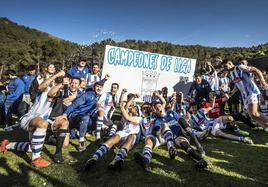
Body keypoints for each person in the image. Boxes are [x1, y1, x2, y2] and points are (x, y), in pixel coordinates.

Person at [0, 70, 66, 168]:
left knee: (32, 147)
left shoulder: (61, 93)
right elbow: (43, 88)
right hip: (30, 118)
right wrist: (57, 76)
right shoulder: (47, 88)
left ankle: (7, 144)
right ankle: (36, 159)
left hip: (41, 120)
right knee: (42, 124)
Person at [84, 91, 141, 171]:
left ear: (138, 112)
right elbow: (126, 107)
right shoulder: (126, 116)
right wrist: (132, 97)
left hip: (131, 139)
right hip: (123, 135)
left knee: (131, 136)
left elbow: (127, 114)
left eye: (134, 109)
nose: (131, 109)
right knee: (116, 135)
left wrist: (126, 105)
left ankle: (117, 159)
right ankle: (94, 158)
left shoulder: (138, 119)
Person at [224, 59, 268, 132]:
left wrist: (263, 82)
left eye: (226, 66)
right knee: (252, 115)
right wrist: (231, 93)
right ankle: (266, 128)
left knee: (254, 113)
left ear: (230, 63)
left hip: (252, 91)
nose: (225, 68)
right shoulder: (231, 73)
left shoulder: (239, 67)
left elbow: (256, 70)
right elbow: (237, 84)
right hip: (245, 95)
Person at [59, 81, 103, 152]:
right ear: (94, 87)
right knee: (85, 117)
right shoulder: (87, 95)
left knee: (97, 119)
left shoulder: (100, 97)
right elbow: (74, 105)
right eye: (97, 86)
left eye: (100, 87)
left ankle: (97, 137)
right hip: (75, 115)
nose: (99, 88)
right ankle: (81, 141)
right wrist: (65, 114)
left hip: (86, 118)